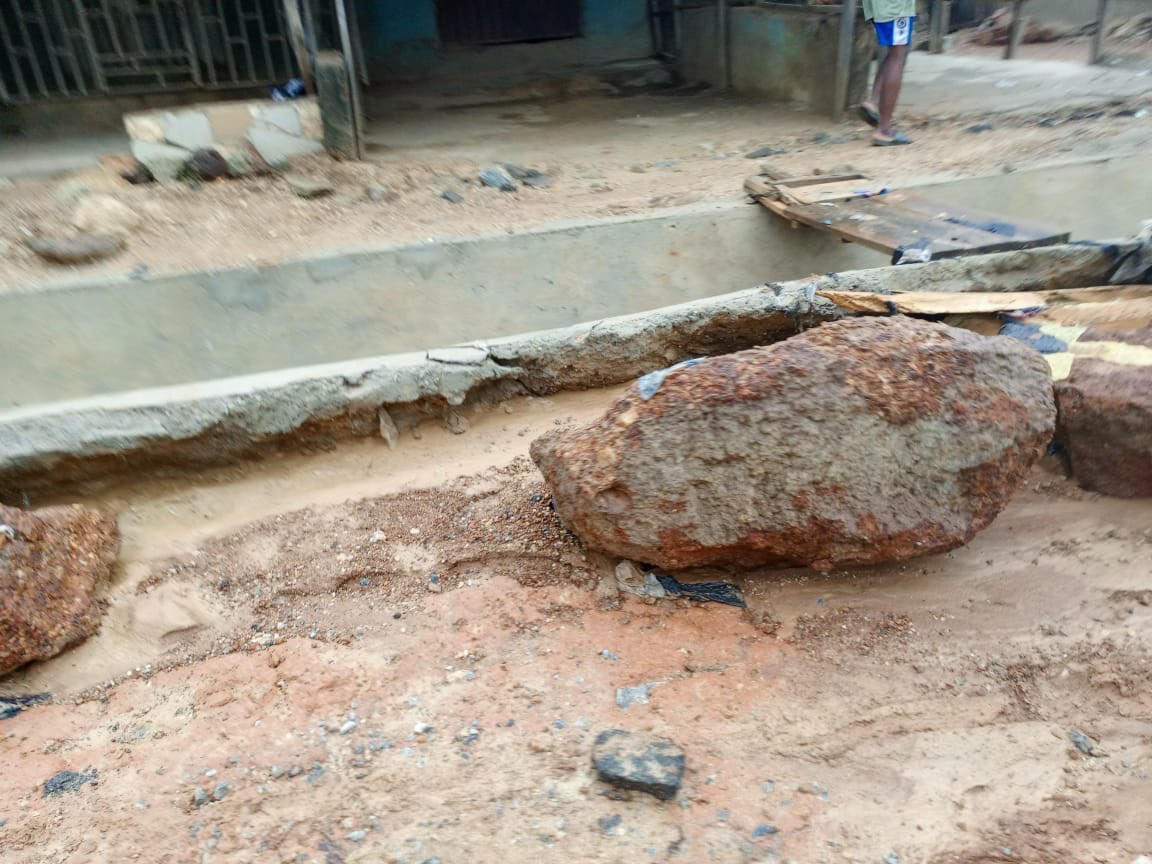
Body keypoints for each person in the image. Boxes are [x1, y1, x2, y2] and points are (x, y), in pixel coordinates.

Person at [857, 0, 916, 146]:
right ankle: (884, 130)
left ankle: (874, 102)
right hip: (895, 5)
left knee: (895, 52)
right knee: (897, 55)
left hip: (879, 4)